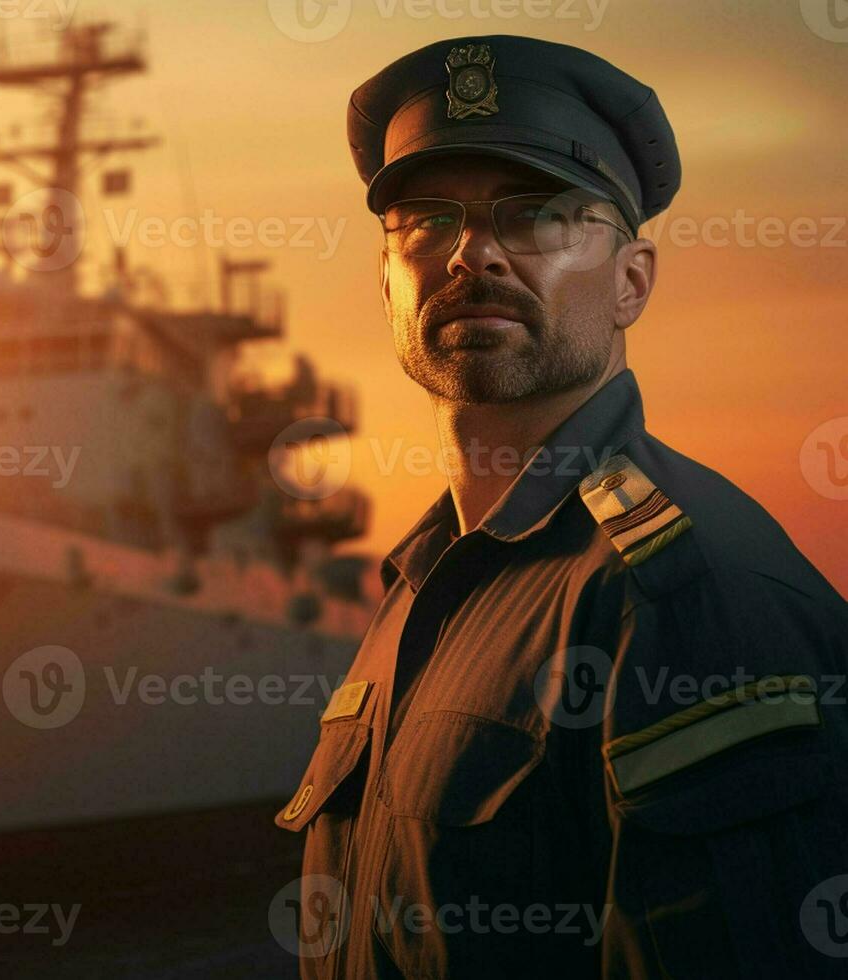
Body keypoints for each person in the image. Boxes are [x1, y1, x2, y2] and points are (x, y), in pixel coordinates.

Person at [275, 34, 848, 978]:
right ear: (386, 282)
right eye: (425, 220)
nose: (472, 254)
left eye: (536, 216)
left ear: (632, 283)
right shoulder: (425, 584)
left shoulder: (681, 596)